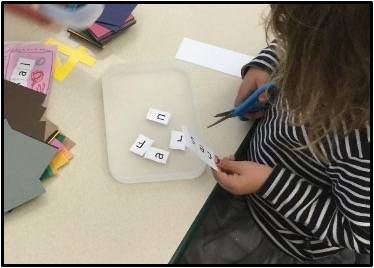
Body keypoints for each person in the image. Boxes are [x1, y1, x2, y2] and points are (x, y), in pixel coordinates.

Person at [179, 4, 370, 264]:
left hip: (281, 233)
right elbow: (294, 40)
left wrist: (269, 182)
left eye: (302, 61)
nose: (293, 61)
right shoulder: (328, 38)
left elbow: (361, 235)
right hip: (254, 174)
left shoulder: (362, 149)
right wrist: (265, 65)